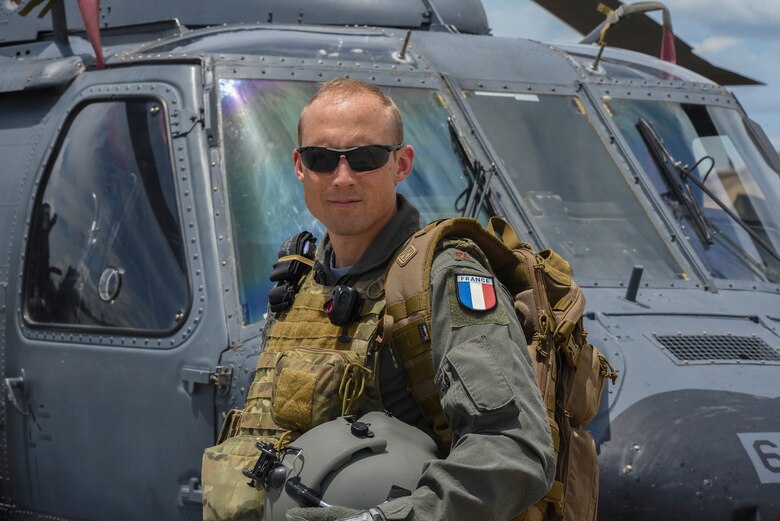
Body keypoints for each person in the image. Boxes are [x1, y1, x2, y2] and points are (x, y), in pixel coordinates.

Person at [203, 77, 554, 521]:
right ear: (299, 166)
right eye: (321, 159)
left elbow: (515, 448)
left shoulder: (443, 279)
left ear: (401, 164)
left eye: (365, 158)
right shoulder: (298, 281)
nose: (342, 178)